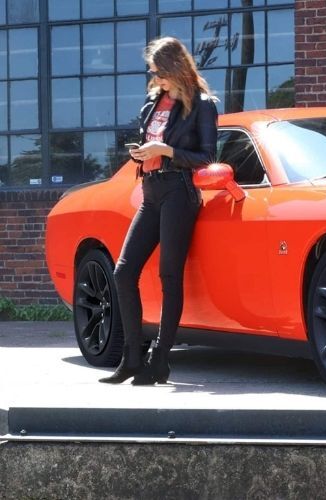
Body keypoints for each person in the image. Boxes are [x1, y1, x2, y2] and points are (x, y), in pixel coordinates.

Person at [99, 37, 218, 385]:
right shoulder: (153, 102)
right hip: (151, 191)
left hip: (179, 191)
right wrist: (142, 153)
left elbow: (207, 157)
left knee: (169, 276)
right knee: (124, 273)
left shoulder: (202, 105)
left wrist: (165, 150)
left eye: (159, 72)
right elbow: (152, 145)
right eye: (153, 73)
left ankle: (160, 359)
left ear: (175, 68)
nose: (155, 78)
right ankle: (132, 357)